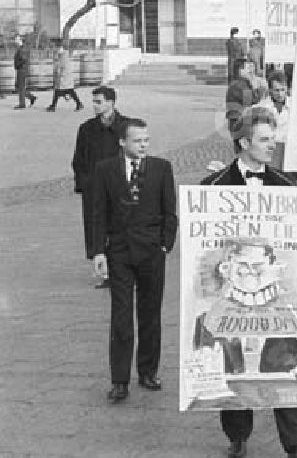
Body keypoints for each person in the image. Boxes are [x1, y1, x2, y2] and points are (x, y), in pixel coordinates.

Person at [201, 107, 297, 458]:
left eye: (273, 138)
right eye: (265, 140)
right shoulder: (214, 186)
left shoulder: (285, 185)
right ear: (244, 142)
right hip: (233, 288)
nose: (273, 145)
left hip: (272, 290)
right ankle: (237, 436)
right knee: (232, 359)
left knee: (286, 358)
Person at [89, 118, 177, 404]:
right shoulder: (105, 170)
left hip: (152, 251)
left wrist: (166, 243)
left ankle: (148, 370)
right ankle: (119, 380)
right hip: (120, 251)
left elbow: (169, 211)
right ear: (122, 142)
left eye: (146, 140)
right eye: (138, 141)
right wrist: (98, 252)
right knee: (122, 317)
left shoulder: (161, 168)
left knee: (150, 314)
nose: (143, 145)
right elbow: (98, 212)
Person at [72, 86, 131, 284]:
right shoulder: (87, 129)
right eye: (94, 101)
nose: (95, 106)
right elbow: (79, 160)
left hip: (120, 188)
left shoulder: (126, 126)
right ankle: (105, 270)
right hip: (94, 188)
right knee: (97, 228)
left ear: (111, 102)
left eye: (99, 102)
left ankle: (122, 270)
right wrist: (84, 185)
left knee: (121, 228)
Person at [226, 58, 265, 152]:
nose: (251, 71)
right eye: (248, 68)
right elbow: (251, 100)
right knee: (244, 150)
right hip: (240, 121)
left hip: (239, 120)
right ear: (240, 70)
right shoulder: (240, 84)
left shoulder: (240, 83)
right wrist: (260, 88)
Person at [46, 39, 83, 111]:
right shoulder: (61, 52)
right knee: (64, 90)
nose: (51, 46)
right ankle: (78, 103)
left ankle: (53, 106)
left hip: (64, 75)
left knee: (62, 90)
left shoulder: (61, 52)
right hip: (64, 75)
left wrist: (58, 72)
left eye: (52, 44)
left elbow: (60, 64)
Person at [12, 34, 37, 109]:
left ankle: (22, 104)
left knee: (21, 87)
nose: (15, 40)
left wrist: (17, 65)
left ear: (20, 40)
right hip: (21, 69)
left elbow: (24, 59)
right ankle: (31, 97)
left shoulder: (22, 49)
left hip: (21, 70)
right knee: (18, 87)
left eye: (16, 39)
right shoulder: (20, 48)